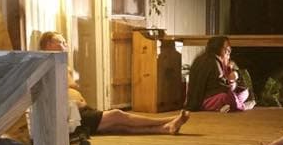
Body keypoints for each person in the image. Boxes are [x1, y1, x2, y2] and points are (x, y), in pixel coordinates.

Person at [38, 31, 189, 134]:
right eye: (61, 42)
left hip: (80, 111)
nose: (66, 45)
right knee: (117, 115)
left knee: (118, 126)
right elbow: (49, 93)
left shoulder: (62, 65)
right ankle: (167, 120)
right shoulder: (45, 66)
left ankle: (165, 128)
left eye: (65, 42)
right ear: (49, 45)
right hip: (71, 115)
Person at [185, 36, 254, 112]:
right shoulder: (214, 62)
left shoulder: (202, 58)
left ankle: (226, 107)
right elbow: (220, 87)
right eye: (227, 50)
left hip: (198, 100)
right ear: (218, 48)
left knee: (243, 92)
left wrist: (230, 71)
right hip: (204, 101)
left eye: (229, 51)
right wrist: (232, 82)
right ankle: (242, 106)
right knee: (229, 96)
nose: (228, 53)